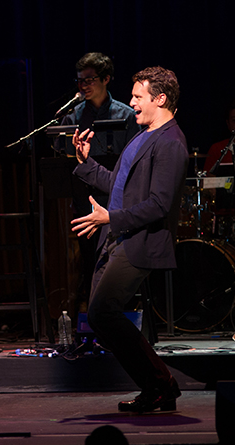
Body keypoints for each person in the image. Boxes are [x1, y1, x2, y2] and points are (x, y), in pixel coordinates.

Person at [71, 66, 187, 412]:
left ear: (160, 98)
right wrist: (86, 163)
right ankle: (158, 386)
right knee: (99, 318)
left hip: (139, 241)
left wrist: (112, 217)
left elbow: (159, 204)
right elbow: (118, 186)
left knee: (103, 312)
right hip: (118, 236)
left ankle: (161, 384)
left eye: (138, 96)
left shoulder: (170, 142)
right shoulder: (142, 137)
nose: (132, 103)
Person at [57, 52, 140, 312]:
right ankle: (93, 323)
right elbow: (63, 156)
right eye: (80, 81)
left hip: (117, 202)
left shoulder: (126, 115)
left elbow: (134, 160)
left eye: (89, 80)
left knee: (118, 263)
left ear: (106, 79)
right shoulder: (73, 116)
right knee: (89, 263)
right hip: (85, 201)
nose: (83, 86)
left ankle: (123, 320)